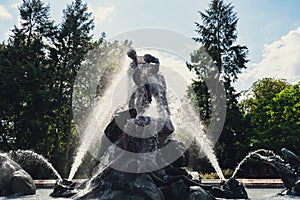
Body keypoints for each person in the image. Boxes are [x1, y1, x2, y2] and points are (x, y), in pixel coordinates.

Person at [127, 49, 169, 117]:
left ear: (135, 53)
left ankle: (166, 116)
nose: (132, 57)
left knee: (161, 99)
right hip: (142, 84)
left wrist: (155, 69)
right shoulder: (132, 66)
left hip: (154, 81)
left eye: (132, 55)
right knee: (140, 103)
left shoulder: (146, 58)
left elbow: (157, 61)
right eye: (130, 56)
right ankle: (140, 116)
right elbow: (131, 82)